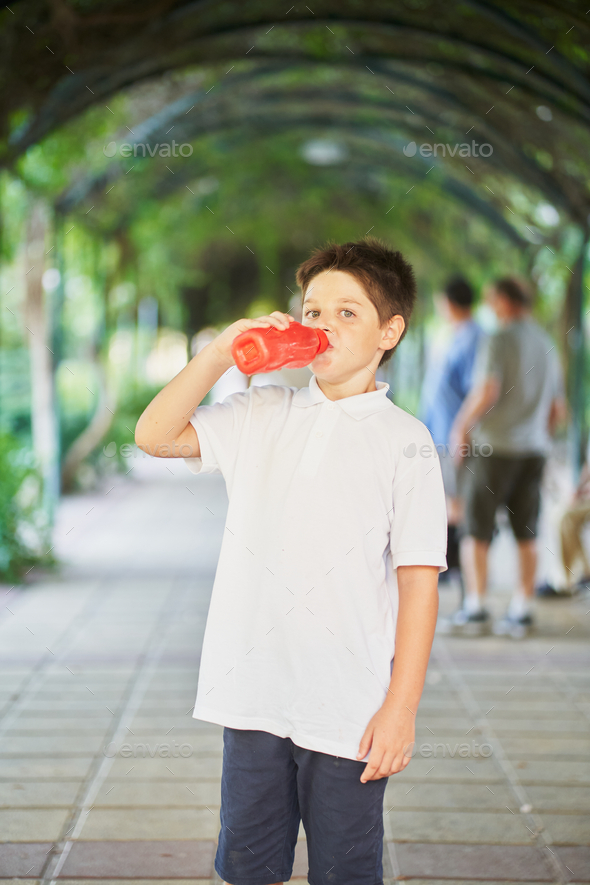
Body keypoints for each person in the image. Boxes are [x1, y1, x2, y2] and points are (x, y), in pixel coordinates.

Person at [136, 237, 447, 885]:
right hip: (253, 696)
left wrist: (401, 707)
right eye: (312, 311)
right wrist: (222, 350)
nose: (324, 325)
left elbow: (419, 582)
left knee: (345, 868)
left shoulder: (405, 441)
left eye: (348, 313)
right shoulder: (261, 411)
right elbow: (155, 434)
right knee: (250, 866)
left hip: (349, 710)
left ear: (391, 330)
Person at [448, 277, 565, 639]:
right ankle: (522, 609)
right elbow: (558, 410)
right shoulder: (547, 343)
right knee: (527, 531)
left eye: (492, 301)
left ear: (504, 301)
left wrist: (461, 427)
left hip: (494, 448)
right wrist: (536, 434)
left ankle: (477, 608)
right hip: (534, 450)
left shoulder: (498, 340)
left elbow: (487, 390)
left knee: (476, 529)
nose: (491, 308)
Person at [420, 277, 482, 587]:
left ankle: (454, 567)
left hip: (455, 435)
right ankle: (451, 565)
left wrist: (463, 431)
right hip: (440, 432)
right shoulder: (450, 335)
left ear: (449, 302)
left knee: (455, 500)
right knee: (445, 497)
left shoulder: (474, 338)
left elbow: (476, 390)